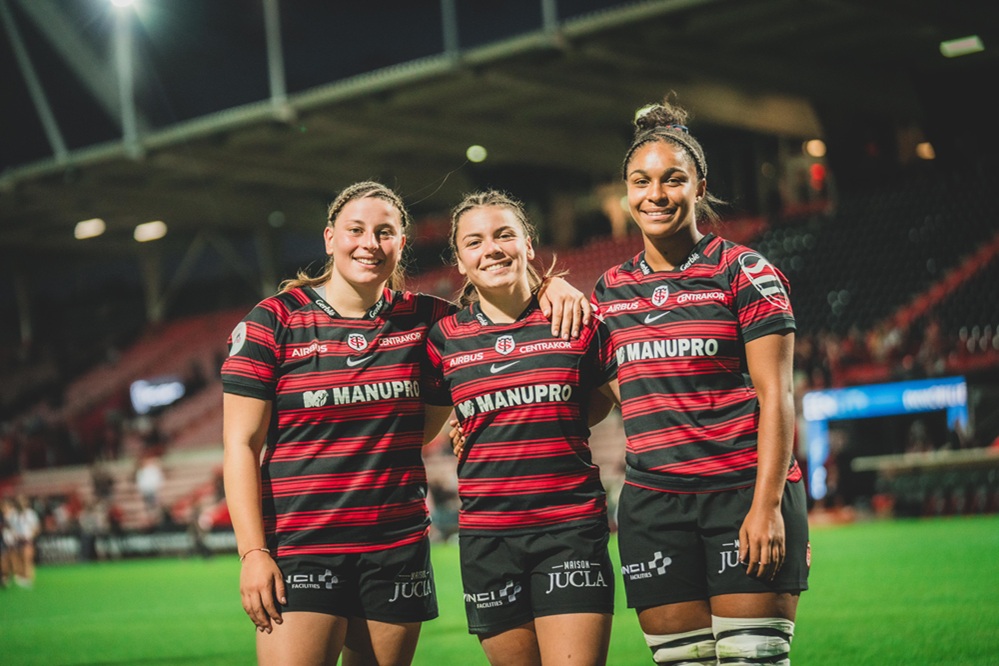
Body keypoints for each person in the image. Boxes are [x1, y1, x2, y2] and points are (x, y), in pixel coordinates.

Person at [221, 181, 590, 666]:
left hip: (396, 547)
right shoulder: (274, 321)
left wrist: (551, 285)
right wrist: (253, 553)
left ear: (401, 243)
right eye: (356, 230)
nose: (369, 244)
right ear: (330, 238)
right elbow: (241, 446)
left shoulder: (428, 321)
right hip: (301, 546)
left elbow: (500, 307)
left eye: (384, 232)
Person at [590, 94, 810, 665]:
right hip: (654, 507)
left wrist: (767, 506)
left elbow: (777, 395)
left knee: (753, 659)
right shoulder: (609, 289)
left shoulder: (744, 271)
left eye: (673, 179)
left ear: (700, 186)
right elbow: (606, 393)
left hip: (742, 494)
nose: (655, 195)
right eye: (641, 181)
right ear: (626, 192)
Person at [424, 190, 618, 666]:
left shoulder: (576, 320)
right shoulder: (444, 339)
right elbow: (417, 432)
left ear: (528, 244)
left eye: (504, 235)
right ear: (460, 261)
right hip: (487, 541)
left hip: (569, 530)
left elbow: (611, 402)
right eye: (475, 241)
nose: (491, 249)